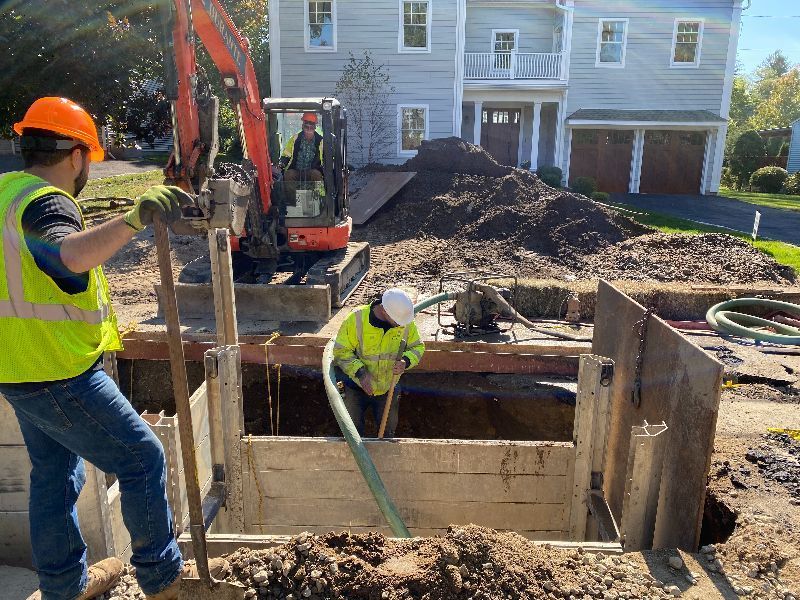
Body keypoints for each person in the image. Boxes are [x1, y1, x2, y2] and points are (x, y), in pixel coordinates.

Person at [0, 97, 226, 600]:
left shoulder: (4, 194)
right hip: (58, 370)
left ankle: (64, 587)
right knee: (142, 457)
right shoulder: (46, 201)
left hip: (16, 367)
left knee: (55, 473)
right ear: (77, 155)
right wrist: (134, 218)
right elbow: (69, 255)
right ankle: (162, 579)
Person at [333, 288, 425, 437]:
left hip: (388, 388)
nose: (400, 326)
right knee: (352, 433)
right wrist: (360, 372)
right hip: (356, 387)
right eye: (396, 322)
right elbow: (341, 351)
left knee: (387, 433)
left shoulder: (404, 321)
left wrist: (406, 361)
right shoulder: (356, 319)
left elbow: (417, 347)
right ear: (383, 310)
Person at [278, 111, 324, 186]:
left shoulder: (321, 141)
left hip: (312, 171)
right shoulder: (294, 139)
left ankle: (317, 193)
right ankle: (293, 194)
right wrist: (281, 164)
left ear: (315, 127)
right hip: (296, 170)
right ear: (302, 126)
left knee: (316, 174)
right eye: (306, 126)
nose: (309, 128)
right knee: (289, 174)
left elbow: (327, 159)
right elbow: (286, 155)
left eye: (311, 126)